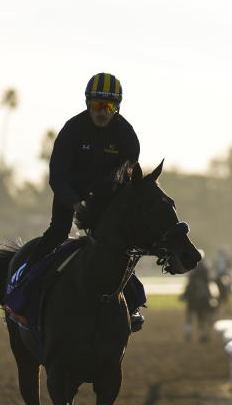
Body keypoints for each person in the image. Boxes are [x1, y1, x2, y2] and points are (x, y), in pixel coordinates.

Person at [27, 72, 144, 331]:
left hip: (107, 198)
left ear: (117, 108)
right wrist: (76, 203)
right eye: (96, 106)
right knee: (58, 232)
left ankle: (133, 302)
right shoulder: (72, 130)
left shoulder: (127, 136)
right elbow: (57, 177)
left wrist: (103, 206)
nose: (101, 112)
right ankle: (26, 280)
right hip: (70, 192)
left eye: (108, 107)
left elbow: (127, 180)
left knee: (116, 244)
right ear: (87, 104)